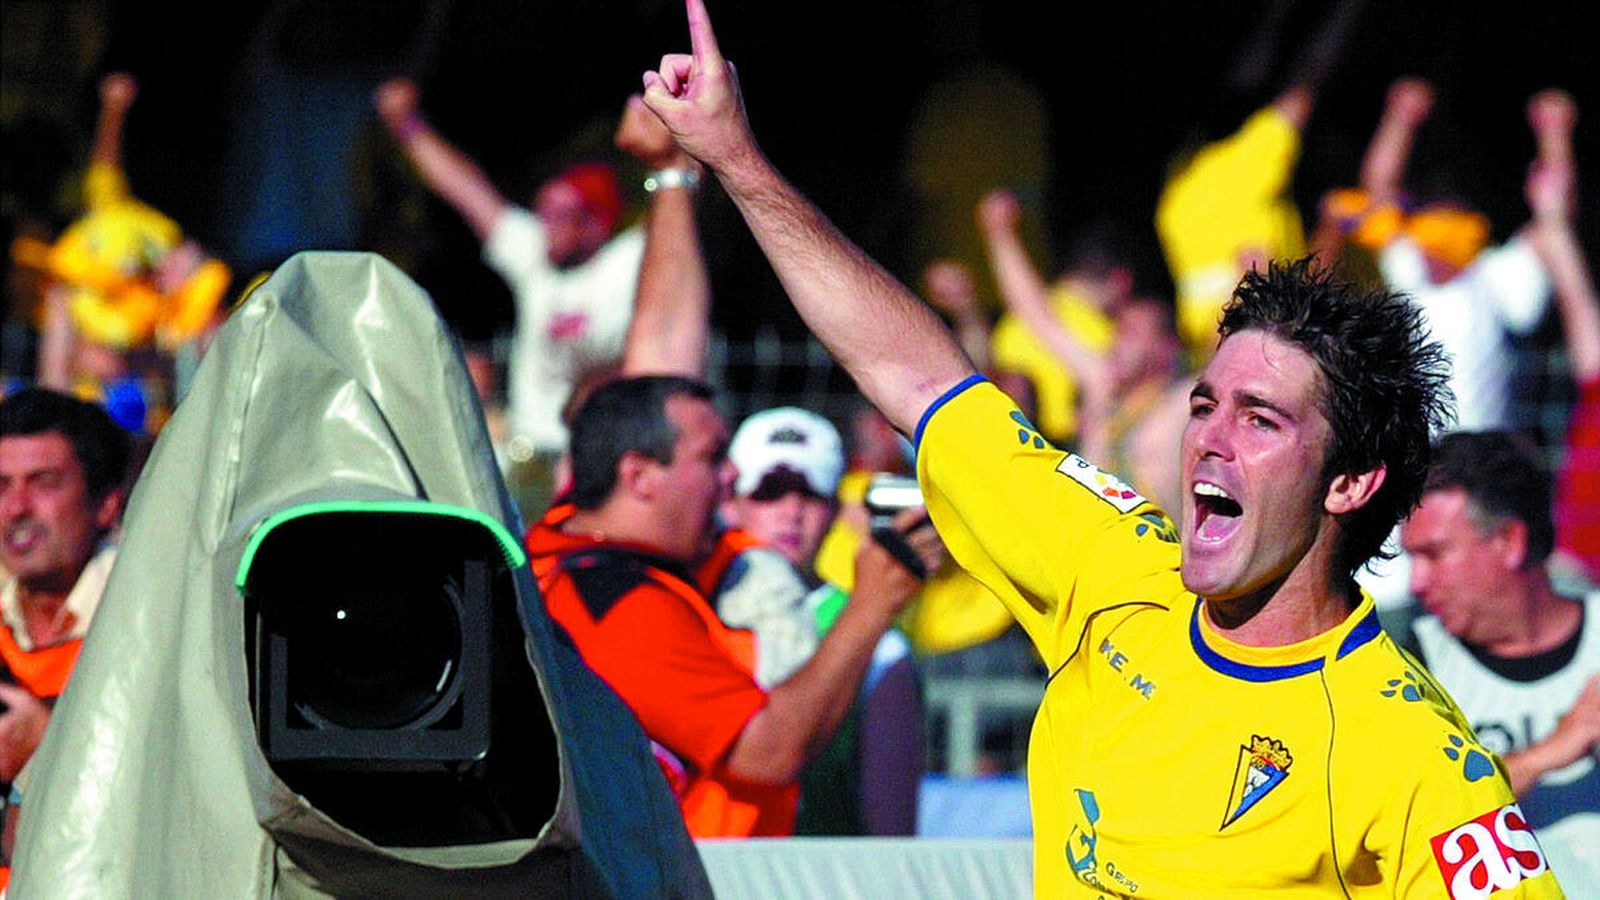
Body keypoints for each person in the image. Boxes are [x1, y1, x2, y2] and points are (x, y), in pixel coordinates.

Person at [638, 1, 1560, 892]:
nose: (1208, 439)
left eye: (1261, 419)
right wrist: (735, 160)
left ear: (1352, 482)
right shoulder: (1110, 560)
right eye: (1207, 402)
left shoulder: (1416, 757)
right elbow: (921, 379)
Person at [526, 376, 919, 838]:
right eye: (712, 458)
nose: (731, 475)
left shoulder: (559, 556)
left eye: (811, 494)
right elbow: (769, 753)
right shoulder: (615, 603)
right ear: (638, 476)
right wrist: (873, 604)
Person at [374, 79, 700, 520]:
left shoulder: (629, 262)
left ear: (597, 223)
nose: (547, 225)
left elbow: (684, 197)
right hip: (530, 458)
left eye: (564, 215)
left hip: (601, 459)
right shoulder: (537, 259)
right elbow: (469, 193)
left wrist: (683, 135)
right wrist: (407, 125)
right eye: (543, 211)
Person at [1403, 431, 1600, 894]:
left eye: (1434, 555)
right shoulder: (1413, 671)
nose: (1416, 583)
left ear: (1510, 542)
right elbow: (1408, 813)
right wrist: (1550, 753)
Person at [719, 406, 927, 836]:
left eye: (811, 493)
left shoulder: (883, 647)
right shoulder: (690, 609)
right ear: (731, 502)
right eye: (769, 490)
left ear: (835, 509)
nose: (791, 511)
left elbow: (891, 831)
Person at [0, 388, 129, 883]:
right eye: (2, 485)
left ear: (107, 504)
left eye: (43, 482)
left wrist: (51, 743)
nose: (15, 508)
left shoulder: (151, 621)